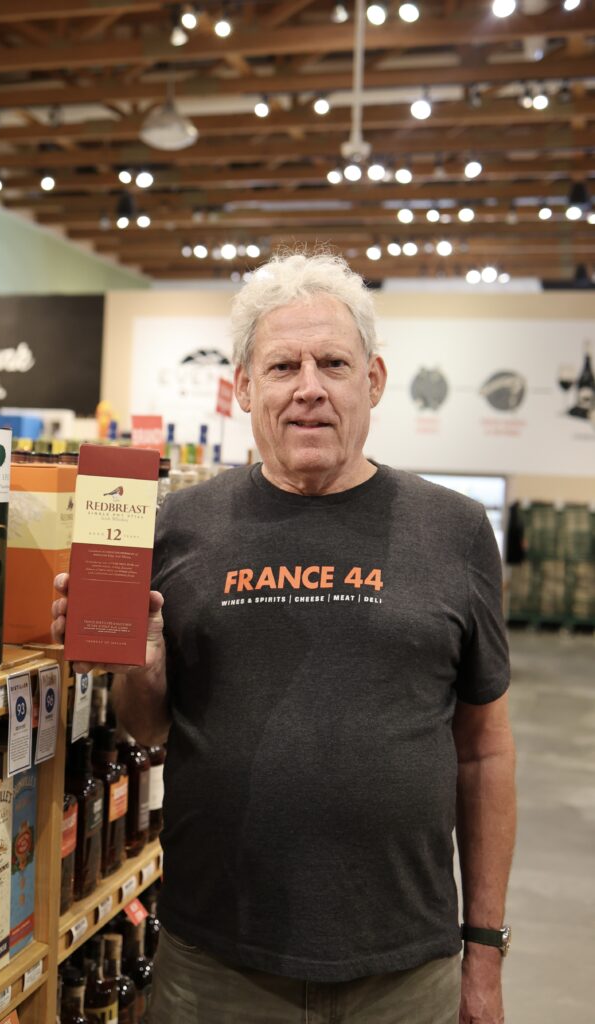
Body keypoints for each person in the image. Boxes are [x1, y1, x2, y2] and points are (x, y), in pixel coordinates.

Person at [53, 251, 516, 1024]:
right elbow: (146, 724)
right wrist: (137, 661)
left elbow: (485, 750)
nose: (309, 387)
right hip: (218, 963)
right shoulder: (176, 528)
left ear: (372, 380)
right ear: (242, 387)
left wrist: (484, 949)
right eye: (282, 366)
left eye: (332, 363)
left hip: (404, 968)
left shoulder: (454, 532)